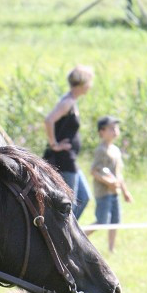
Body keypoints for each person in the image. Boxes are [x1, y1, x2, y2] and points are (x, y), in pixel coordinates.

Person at [43, 64, 94, 221]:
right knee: (70, 202)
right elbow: (49, 120)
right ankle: (63, 234)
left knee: (83, 197)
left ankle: (68, 230)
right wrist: (54, 145)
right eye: (89, 82)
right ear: (83, 83)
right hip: (64, 160)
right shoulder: (67, 103)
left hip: (70, 159)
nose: (90, 86)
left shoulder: (72, 101)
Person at [88, 115, 132, 253]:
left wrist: (125, 191)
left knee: (115, 221)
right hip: (104, 193)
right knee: (102, 221)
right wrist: (108, 182)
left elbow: (118, 174)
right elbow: (94, 171)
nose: (115, 131)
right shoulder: (101, 150)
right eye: (111, 128)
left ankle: (111, 248)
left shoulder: (116, 150)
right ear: (102, 132)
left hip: (115, 193)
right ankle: (80, 235)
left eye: (116, 128)